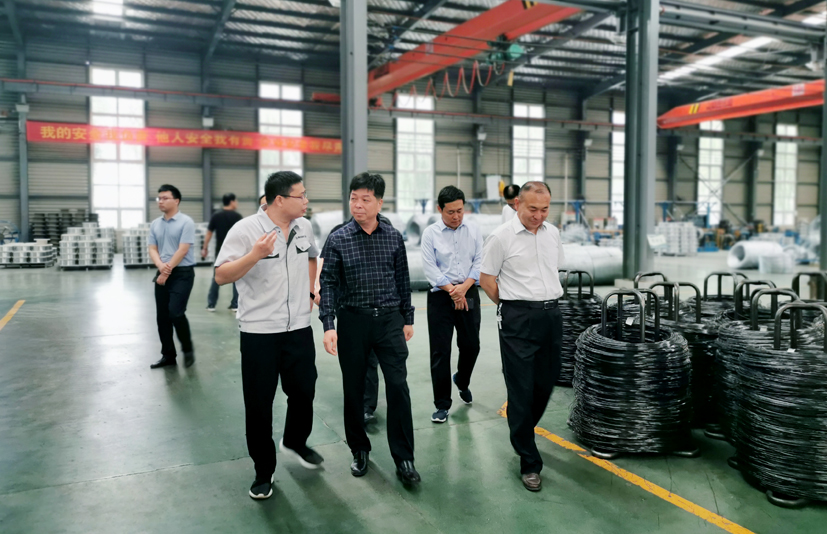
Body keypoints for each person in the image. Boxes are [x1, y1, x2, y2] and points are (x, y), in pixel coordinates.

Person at [214, 171, 324, 500]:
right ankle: (264, 470)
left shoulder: (304, 227)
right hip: (260, 332)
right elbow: (221, 275)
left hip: (299, 328)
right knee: (259, 403)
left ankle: (295, 440)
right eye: (301, 196)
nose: (306, 201)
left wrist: (310, 291)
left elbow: (312, 256)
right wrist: (254, 255)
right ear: (280, 200)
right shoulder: (245, 230)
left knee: (304, 390)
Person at [319, 172, 420, 486]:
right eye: (354, 198)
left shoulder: (393, 237)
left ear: (379, 203)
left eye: (365, 199)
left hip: (389, 321)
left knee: (398, 386)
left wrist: (407, 318)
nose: (358, 205)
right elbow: (328, 283)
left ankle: (404, 457)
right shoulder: (338, 238)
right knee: (353, 389)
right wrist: (328, 324)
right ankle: (359, 449)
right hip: (353, 321)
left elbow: (402, 280)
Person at [480, 181, 565, 493]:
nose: (538, 216)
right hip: (517, 317)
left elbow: (555, 269)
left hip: (551, 314)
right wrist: (510, 305)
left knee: (546, 380)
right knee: (521, 387)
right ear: (517, 204)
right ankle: (529, 461)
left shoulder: (553, 234)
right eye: (532, 209)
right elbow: (486, 279)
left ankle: (522, 430)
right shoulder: (501, 237)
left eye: (544, 210)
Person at [314, 213, 395, 427]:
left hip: (378, 309)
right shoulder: (339, 235)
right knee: (356, 361)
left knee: (371, 359)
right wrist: (319, 290)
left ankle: (366, 407)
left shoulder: (386, 230)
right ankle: (357, 403)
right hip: (348, 308)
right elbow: (324, 265)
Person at [420, 186, 483, 424]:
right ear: (440, 209)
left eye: (459, 211)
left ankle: (462, 380)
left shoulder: (474, 230)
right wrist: (452, 291)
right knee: (440, 351)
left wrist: (463, 289)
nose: (456, 216)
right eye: (450, 212)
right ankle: (442, 405)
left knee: (471, 345)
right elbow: (430, 267)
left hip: (468, 291)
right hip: (440, 297)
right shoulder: (430, 234)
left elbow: (479, 261)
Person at [148, 184, 197, 369]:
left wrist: (166, 271)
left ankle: (188, 349)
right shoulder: (155, 224)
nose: (160, 201)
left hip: (182, 273)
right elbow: (152, 248)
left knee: (175, 312)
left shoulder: (186, 222)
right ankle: (168, 355)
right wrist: (161, 267)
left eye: (165, 198)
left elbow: (183, 250)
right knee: (162, 317)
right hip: (162, 271)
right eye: (159, 198)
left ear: (176, 201)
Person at [204, 193, 243, 312]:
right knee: (236, 278)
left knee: (216, 277)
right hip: (236, 252)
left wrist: (204, 247)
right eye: (236, 201)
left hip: (220, 252)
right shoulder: (237, 216)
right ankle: (235, 305)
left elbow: (209, 233)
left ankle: (211, 305)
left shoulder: (216, 215)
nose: (237, 203)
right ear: (232, 202)